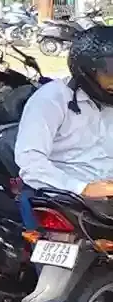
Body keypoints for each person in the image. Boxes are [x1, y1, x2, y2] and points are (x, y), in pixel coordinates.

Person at [17, 24, 113, 198]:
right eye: (110, 71)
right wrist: (83, 188)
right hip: (64, 194)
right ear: (87, 70)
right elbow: (31, 162)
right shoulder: (52, 99)